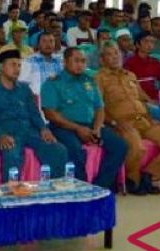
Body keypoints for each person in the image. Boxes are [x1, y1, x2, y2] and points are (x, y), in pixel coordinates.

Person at [97, 42, 160, 194]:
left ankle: (149, 175)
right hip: (122, 123)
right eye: (109, 54)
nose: (115, 57)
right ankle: (133, 181)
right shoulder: (99, 78)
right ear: (102, 60)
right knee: (137, 148)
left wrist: (153, 117)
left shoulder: (130, 75)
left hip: (144, 120)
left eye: (116, 53)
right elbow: (98, 107)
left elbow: (143, 99)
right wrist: (114, 122)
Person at [41, 47, 128, 191]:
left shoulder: (89, 81)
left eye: (83, 61)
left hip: (91, 125)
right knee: (76, 151)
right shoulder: (53, 83)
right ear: (65, 62)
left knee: (120, 146)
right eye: (76, 61)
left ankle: (99, 188)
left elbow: (99, 108)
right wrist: (78, 128)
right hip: (64, 127)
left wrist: (97, 128)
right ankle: (81, 190)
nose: (80, 64)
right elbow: (50, 114)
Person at [0, 49, 67, 182]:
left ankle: (53, 190)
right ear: (1, 67)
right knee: (12, 154)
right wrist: (0, 135)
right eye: (13, 64)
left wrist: (43, 129)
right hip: (5, 133)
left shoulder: (25, 89)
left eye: (19, 65)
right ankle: (10, 195)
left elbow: (34, 112)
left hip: (29, 131)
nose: (17, 69)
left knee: (58, 150)